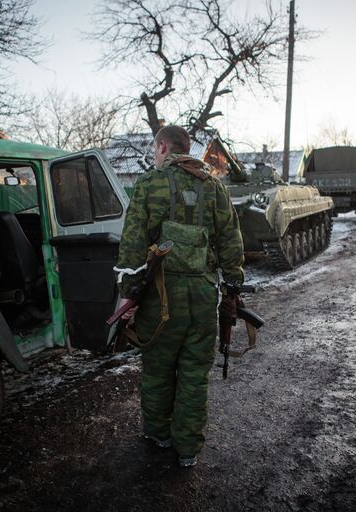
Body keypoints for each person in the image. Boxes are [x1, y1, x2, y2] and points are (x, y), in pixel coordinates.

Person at [115, 125, 244, 468]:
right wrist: (232, 286)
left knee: (158, 370)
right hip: (202, 296)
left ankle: (158, 435)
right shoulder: (214, 187)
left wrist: (129, 297)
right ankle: (187, 450)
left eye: (154, 149)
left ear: (161, 147)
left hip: (161, 299)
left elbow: (131, 246)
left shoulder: (149, 183)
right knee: (193, 374)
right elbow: (231, 241)